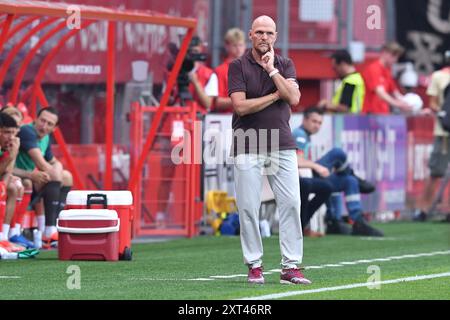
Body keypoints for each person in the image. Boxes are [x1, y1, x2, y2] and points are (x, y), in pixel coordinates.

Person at [229, 15, 311, 285]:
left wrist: (273, 71)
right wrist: (277, 95)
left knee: (291, 204)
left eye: (269, 33)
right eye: (260, 32)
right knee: (249, 207)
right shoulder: (238, 66)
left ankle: (291, 267)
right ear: (250, 35)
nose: (264, 37)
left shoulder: (285, 63)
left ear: (275, 37)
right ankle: (254, 265)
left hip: (282, 144)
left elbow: (295, 98)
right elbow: (240, 107)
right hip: (248, 144)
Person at [292, 107, 384, 237]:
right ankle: (351, 174)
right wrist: (317, 167)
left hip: (312, 177)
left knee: (349, 182)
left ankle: (354, 221)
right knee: (337, 153)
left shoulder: (306, 136)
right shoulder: (299, 134)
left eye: (319, 123)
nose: (317, 126)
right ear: (304, 119)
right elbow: (297, 161)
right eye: (314, 121)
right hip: (304, 177)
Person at [13, 107, 73, 249]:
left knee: (67, 176)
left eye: (49, 124)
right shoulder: (27, 131)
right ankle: (48, 230)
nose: (44, 126)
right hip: (19, 177)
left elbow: (53, 162)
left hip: (29, 179)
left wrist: (57, 171)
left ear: (54, 128)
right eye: (42, 121)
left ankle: (53, 227)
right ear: (36, 119)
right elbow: (41, 163)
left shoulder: (46, 137)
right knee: (45, 177)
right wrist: (55, 173)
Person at [416, 50, 450, 221]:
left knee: (435, 172)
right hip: (444, 131)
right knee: (436, 171)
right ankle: (424, 209)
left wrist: (441, 112)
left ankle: (423, 211)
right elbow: (434, 103)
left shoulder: (438, 76)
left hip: (443, 130)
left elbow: (433, 104)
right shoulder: (438, 77)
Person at [362, 42, 413, 114]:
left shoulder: (387, 70)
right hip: (371, 113)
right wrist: (397, 104)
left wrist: (407, 103)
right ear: (384, 52)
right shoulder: (374, 69)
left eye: (397, 56)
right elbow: (380, 92)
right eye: (393, 55)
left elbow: (395, 92)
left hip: (383, 113)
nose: (395, 59)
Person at [212, 28, 246, 113]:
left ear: (245, 46)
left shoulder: (251, 68)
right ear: (227, 46)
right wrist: (244, 101)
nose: (238, 48)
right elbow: (217, 102)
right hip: (228, 119)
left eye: (241, 45)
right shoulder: (220, 71)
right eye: (235, 45)